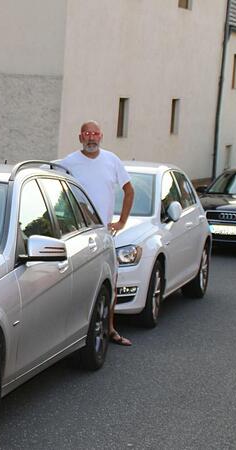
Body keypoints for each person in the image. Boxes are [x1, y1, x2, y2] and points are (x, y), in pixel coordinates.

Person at [59, 120, 135, 346]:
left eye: (95, 134)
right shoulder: (69, 163)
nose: (91, 138)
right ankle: (73, 334)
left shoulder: (112, 161)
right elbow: (61, 195)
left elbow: (129, 191)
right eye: (87, 134)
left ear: (101, 136)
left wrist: (121, 221)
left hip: (104, 234)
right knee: (79, 284)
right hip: (77, 234)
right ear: (80, 137)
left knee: (110, 281)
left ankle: (110, 329)